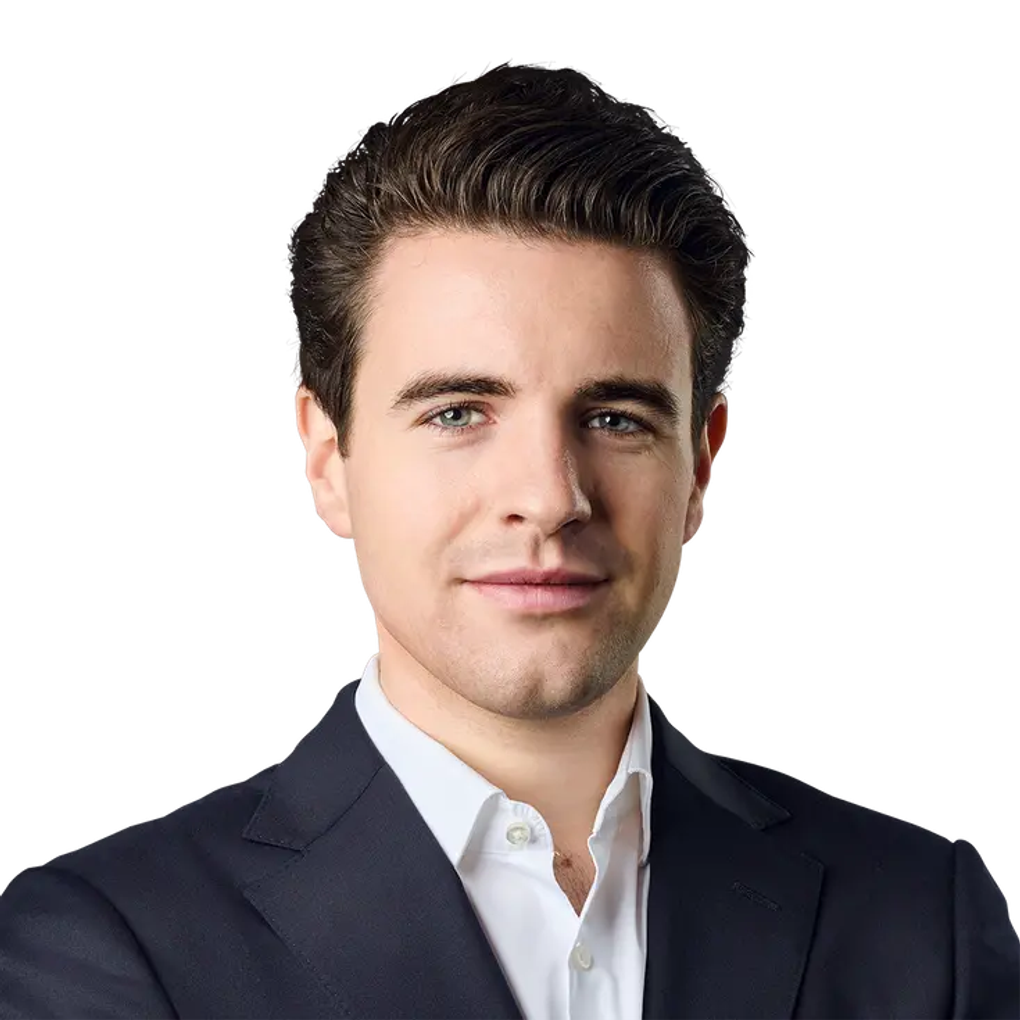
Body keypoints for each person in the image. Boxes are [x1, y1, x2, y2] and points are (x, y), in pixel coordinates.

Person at [2, 59, 1017, 1019]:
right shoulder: (106, 944)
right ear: (328, 457)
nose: (550, 497)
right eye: (457, 412)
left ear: (701, 464)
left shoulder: (922, 918)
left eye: (615, 417)